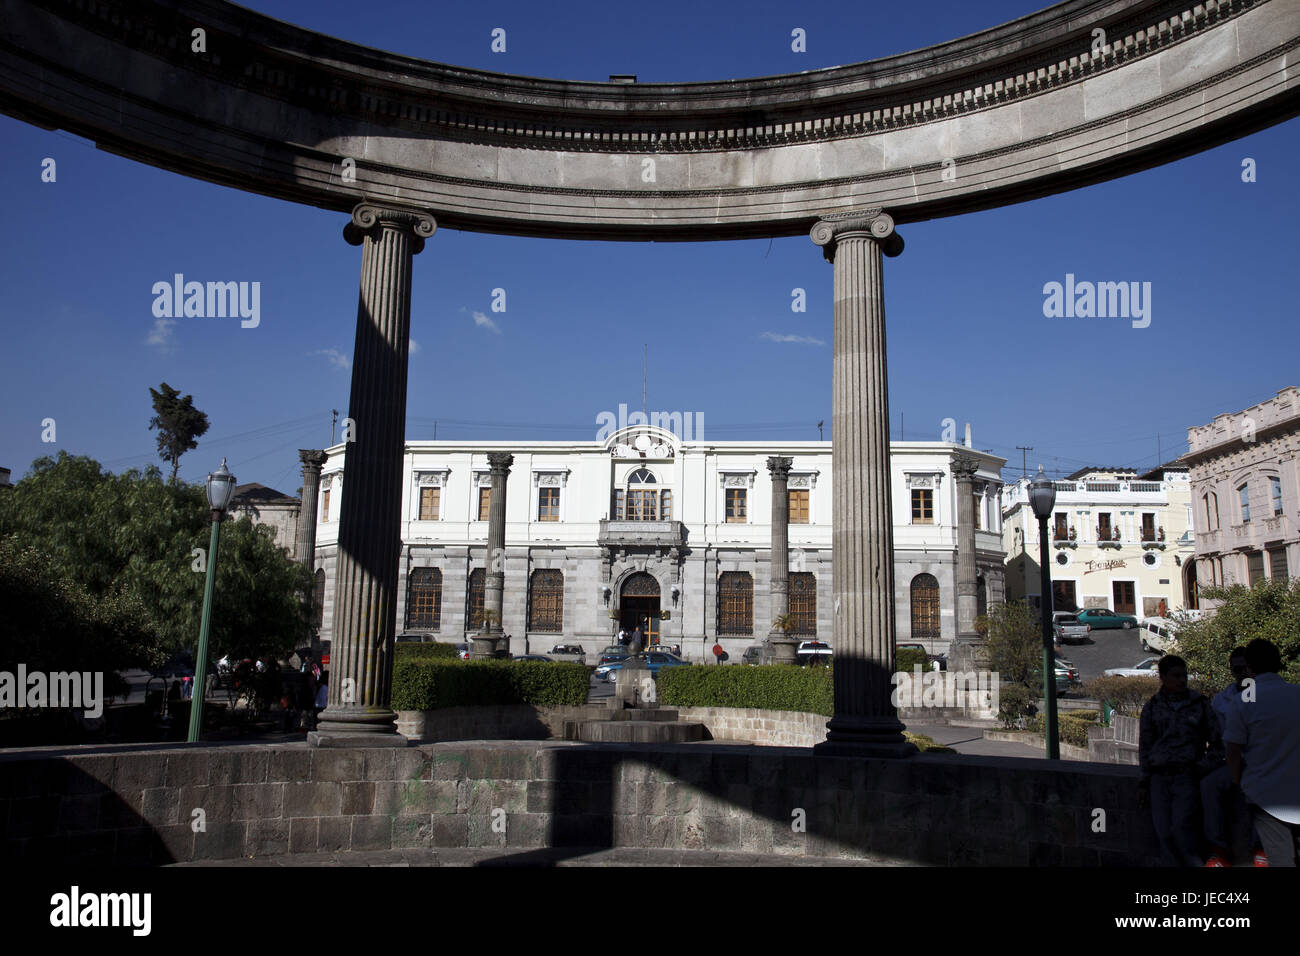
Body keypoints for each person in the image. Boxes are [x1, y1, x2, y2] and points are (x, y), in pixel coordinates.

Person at [1222, 638, 1300, 867]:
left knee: (1281, 860)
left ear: (1249, 666)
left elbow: (1233, 750)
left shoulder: (1243, 702)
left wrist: (1238, 781)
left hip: (1265, 795)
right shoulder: (1296, 694)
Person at [1139, 654, 1222, 866]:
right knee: (1164, 833)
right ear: (1163, 677)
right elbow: (1146, 746)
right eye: (1176, 676)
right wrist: (1145, 778)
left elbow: (1218, 744)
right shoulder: (1152, 707)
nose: (1181, 680)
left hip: (1187, 776)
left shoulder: (1199, 704)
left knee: (1183, 829)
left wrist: (1201, 768)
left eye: (1184, 675)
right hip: (1160, 778)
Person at [1202, 647, 1267, 866]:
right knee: (1209, 787)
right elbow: (1218, 739)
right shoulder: (1222, 700)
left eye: (1245, 668)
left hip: (1261, 763)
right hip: (1232, 763)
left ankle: (1259, 848)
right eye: (1236, 669)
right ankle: (1218, 849)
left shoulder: (1265, 695)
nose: (1241, 673)